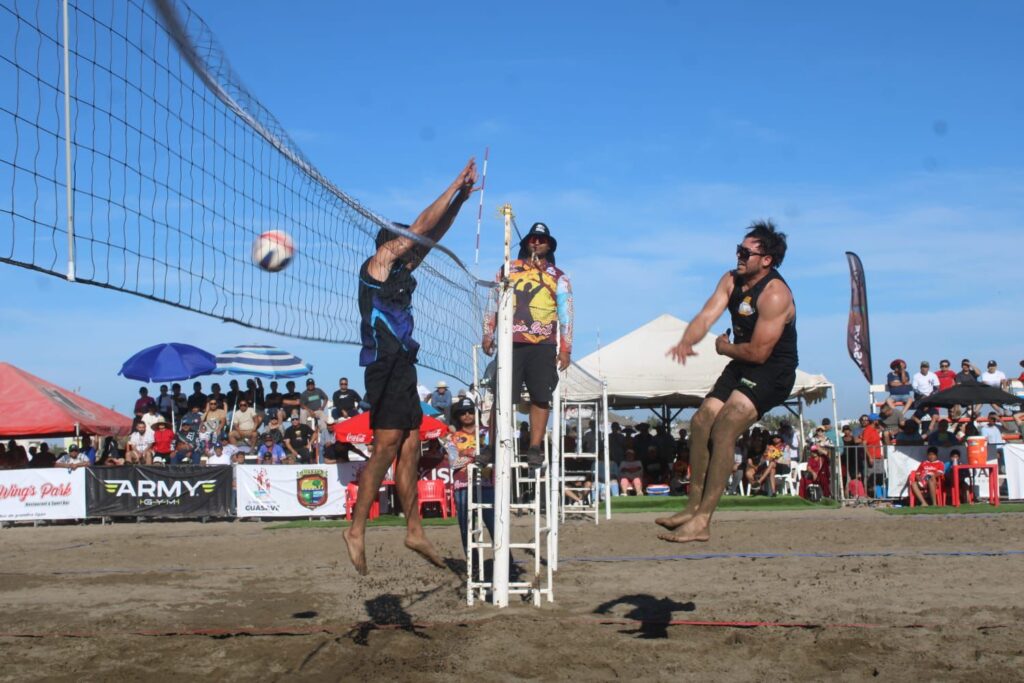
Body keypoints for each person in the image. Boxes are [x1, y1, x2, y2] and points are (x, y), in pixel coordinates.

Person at [342, 159, 477, 576]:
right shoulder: (378, 262)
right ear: (392, 243)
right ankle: (357, 529)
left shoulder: (403, 268)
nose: (413, 249)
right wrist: (452, 180)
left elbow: (433, 235)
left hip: (403, 364)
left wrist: (460, 200)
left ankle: (414, 529)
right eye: (406, 243)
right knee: (385, 445)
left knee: (411, 444)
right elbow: (421, 226)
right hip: (382, 364)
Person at [656, 220, 797, 542]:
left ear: (767, 260)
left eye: (747, 253)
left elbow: (761, 353)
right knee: (702, 419)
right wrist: (686, 341)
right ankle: (692, 508)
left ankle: (704, 521)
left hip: (772, 370)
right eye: (739, 250)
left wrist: (723, 348)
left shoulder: (775, 295)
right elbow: (707, 315)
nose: (739, 256)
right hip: (740, 362)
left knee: (724, 428)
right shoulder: (731, 280)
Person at [480, 220, 574, 468]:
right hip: (511, 341)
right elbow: (492, 301)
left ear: (549, 245)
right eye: (533, 238)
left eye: (541, 239)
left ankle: (534, 447)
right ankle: (491, 446)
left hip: (543, 343)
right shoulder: (508, 269)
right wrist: (488, 332)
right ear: (525, 242)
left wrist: (566, 348)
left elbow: (566, 314)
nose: (536, 242)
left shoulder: (559, 277)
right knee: (501, 396)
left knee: (540, 396)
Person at [448, 398, 493, 555]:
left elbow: (493, 455)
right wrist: (475, 454)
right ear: (458, 416)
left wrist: (466, 453)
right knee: (466, 527)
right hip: (462, 486)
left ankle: (507, 563)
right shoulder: (452, 437)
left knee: (494, 524)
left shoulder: (487, 433)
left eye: (470, 411)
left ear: (476, 413)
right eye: (462, 413)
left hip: (486, 484)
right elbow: (453, 462)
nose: (467, 415)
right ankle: (472, 564)